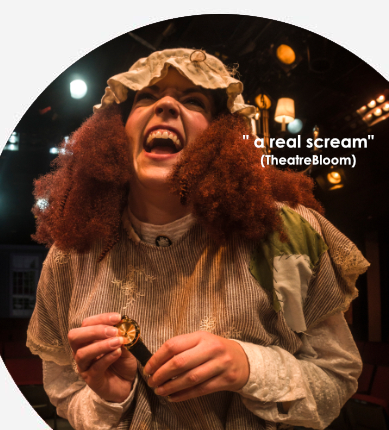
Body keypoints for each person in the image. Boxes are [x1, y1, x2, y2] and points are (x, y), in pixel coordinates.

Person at [27, 48, 369, 430]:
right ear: (117, 131)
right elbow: (63, 390)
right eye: (146, 96)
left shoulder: (283, 235)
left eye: (193, 100)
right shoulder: (72, 254)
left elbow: (335, 378)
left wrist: (250, 367)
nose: (167, 105)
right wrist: (110, 399)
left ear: (220, 135)